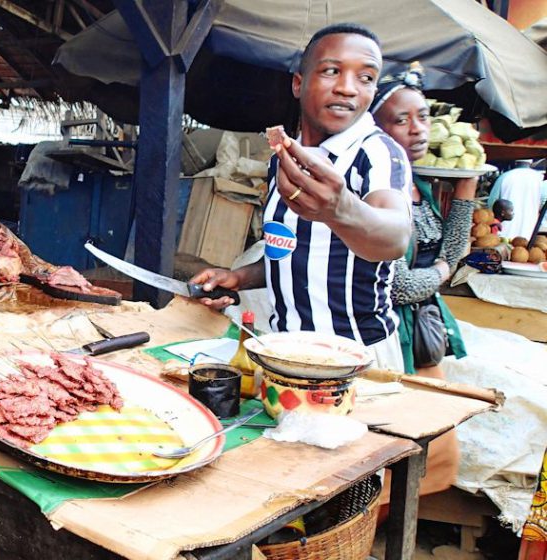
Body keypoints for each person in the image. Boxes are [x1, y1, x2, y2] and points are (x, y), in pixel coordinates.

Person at [192, 23, 413, 370]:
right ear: (298, 83)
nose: (347, 89)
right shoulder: (284, 160)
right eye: (331, 71)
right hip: (283, 351)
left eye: (366, 78)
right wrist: (239, 277)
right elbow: (300, 255)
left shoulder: (376, 152)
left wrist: (341, 210)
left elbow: (395, 237)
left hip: (356, 361)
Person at [372, 63, 465, 498]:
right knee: (388, 456)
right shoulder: (377, 190)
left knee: (440, 456)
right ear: (375, 127)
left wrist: (466, 191)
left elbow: (452, 253)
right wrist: (441, 274)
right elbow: (398, 286)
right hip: (390, 336)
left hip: (423, 334)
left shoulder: (421, 187)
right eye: (401, 119)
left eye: (423, 116)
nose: (417, 129)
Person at [488, 159, 543, 239]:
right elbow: (543, 202)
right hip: (529, 226)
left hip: (504, 229)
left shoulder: (505, 176)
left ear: (514, 162)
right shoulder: (539, 178)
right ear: (531, 163)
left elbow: (492, 202)